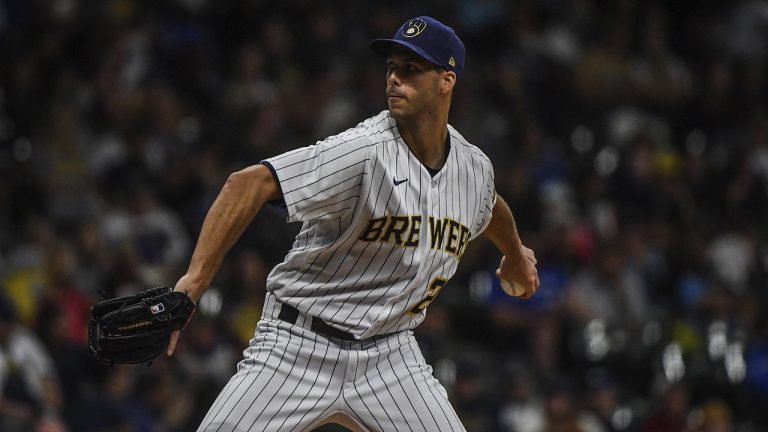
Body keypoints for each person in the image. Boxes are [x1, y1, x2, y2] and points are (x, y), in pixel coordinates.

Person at [169, 16, 540, 431]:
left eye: (411, 70)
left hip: (391, 358)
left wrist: (515, 254)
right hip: (297, 346)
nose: (394, 79)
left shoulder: (474, 168)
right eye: (391, 68)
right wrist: (194, 282)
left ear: (446, 80)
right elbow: (247, 184)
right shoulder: (362, 152)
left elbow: (490, 206)